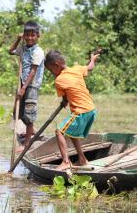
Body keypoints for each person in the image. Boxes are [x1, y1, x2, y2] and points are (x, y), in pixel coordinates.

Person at [44, 50, 100, 170]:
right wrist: (92, 60)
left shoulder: (59, 80)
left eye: (50, 70)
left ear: (56, 65)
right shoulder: (77, 69)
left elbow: (65, 98)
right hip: (91, 110)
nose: (51, 73)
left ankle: (65, 161)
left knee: (59, 131)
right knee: (72, 134)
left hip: (81, 111)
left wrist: (64, 101)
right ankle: (82, 159)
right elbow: (90, 67)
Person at [9, 20, 44, 153]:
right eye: (27, 35)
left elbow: (33, 71)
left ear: (38, 36)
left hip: (31, 86)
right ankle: (32, 131)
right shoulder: (23, 48)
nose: (29, 38)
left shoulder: (38, 51)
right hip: (23, 83)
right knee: (18, 113)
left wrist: (24, 89)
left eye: (32, 35)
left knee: (29, 116)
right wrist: (18, 40)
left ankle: (27, 144)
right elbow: (10, 51)